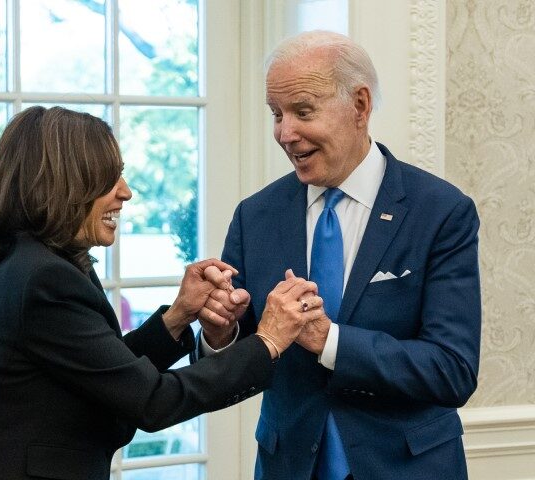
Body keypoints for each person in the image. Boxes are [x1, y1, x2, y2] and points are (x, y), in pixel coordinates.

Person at [0, 106, 325, 480]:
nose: (126, 193)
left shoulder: (44, 264)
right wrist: (268, 341)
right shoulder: (44, 279)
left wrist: (178, 316)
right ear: (66, 182)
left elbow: (104, 370)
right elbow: (152, 401)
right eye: (110, 178)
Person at [195, 31, 481, 480]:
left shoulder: (441, 212)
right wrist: (219, 333)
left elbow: (453, 370)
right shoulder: (256, 216)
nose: (285, 134)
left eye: (303, 111)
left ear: (360, 106)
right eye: (276, 114)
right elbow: (234, 369)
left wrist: (330, 341)